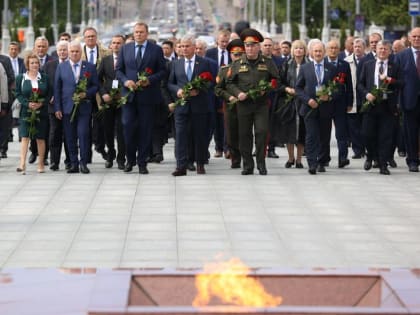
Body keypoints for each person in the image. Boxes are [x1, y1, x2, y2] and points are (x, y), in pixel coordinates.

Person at [226, 28, 279, 175]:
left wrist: (267, 89)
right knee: (245, 135)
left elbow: (276, 80)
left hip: (261, 105)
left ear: (258, 46)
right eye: (247, 45)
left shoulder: (267, 62)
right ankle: (248, 165)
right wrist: (238, 93)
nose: (249, 48)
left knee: (262, 132)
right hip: (243, 105)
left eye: (253, 45)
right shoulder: (237, 64)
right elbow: (229, 83)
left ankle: (261, 164)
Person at [115, 22, 166, 174]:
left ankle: (142, 162)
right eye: (136, 32)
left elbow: (163, 71)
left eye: (141, 32)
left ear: (147, 33)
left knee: (145, 130)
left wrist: (149, 80)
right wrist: (125, 81)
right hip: (129, 96)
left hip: (148, 97)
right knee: (128, 128)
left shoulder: (156, 50)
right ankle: (130, 160)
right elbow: (119, 70)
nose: (138, 34)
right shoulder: (125, 48)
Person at [168, 34, 214, 176]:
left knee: (199, 135)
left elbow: (211, 82)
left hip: (199, 106)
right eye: (182, 46)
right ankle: (181, 165)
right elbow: (170, 83)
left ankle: (200, 163)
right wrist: (178, 91)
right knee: (181, 136)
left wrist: (199, 90)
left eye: (187, 46)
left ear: (194, 47)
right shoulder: (176, 64)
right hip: (181, 107)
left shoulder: (205, 63)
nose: (184, 49)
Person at [54, 40, 99, 174]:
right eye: (72, 51)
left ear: (81, 52)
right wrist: (57, 108)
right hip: (67, 108)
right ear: (68, 52)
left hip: (84, 108)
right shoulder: (62, 67)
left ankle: (83, 163)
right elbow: (57, 89)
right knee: (70, 136)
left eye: (77, 51)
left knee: (83, 134)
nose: (74, 53)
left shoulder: (89, 67)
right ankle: (73, 163)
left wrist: (86, 94)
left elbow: (96, 86)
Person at [358, 40, 400, 175]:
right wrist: (366, 94)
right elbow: (360, 84)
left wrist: (390, 80)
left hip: (387, 106)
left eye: (385, 49)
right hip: (371, 105)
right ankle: (370, 156)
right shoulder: (368, 64)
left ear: (389, 51)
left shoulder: (395, 66)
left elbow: (402, 83)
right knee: (367, 134)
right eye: (380, 48)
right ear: (375, 49)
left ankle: (383, 164)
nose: (382, 51)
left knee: (385, 137)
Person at [295, 41, 338, 175]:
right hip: (309, 109)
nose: (318, 53)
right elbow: (298, 88)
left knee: (324, 137)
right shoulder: (305, 68)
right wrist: (308, 100)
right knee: (311, 136)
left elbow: (338, 88)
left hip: (326, 108)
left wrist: (329, 95)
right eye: (316, 51)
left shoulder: (331, 68)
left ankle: (322, 161)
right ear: (311, 53)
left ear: (324, 53)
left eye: (320, 51)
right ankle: (312, 164)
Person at [275, 39, 309, 169]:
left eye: (301, 48)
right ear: (292, 51)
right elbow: (279, 82)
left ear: (304, 51)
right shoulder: (286, 64)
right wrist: (287, 89)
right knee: (289, 131)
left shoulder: (309, 65)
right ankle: (290, 158)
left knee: (302, 131)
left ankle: (299, 160)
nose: (298, 50)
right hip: (289, 102)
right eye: (296, 48)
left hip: (303, 102)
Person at [15, 53, 49, 174]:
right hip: (26, 112)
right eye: (32, 63)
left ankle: (40, 164)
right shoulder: (21, 78)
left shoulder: (44, 77)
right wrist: (27, 104)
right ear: (27, 65)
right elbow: (17, 93)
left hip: (41, 112)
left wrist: (41, 103)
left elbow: (49, 94)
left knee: (40, 138)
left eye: (36, 63)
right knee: (25, 137)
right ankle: (22, 164)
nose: (35, 65)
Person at [82, 27, 111, 162]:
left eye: (93, 36)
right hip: (84, 95)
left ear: (96, 37)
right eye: (88, 37)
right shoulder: (78, 53)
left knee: (101, 124)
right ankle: (86, 155)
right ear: (84, 38)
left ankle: (100, 147)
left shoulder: (106, 53)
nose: (90, 39)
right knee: (85, 125)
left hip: (101, 94)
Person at [214, 38, 245, 169]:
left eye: (239, 54)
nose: (237, 57)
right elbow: (218, 89)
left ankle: (246, 158)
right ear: (230, 55)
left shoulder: (247, 69)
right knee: (232, 134)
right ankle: (235, 158)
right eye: (234, 54)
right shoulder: (224, 70)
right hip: (230, 106)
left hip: (246, 105)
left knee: (245, 133)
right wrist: (230, 97)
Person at [98, 34, 126, 170]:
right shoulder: (105, 60)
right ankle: (110, 154)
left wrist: (125, 93)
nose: (116, 45)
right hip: (108, 100)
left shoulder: (128, 60)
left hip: (122, 100)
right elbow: (97, 80)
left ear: (123, 45)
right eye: (114, 43)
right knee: (108, 129)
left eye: (119, 43)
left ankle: (121, 158)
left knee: (121, 130)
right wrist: (103, 94)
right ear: (110, 45)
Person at [394, 27, 420, 172]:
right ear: (409, 38)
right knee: (410, 131)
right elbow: (397, 80)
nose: (417, 39)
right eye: (414, 36)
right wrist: (398, 101)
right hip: (409, 100)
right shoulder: (401, 56)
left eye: (419, 36)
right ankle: (412, 161)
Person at [325, 39, 353, 168]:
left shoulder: (344, 64)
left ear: (339, 49)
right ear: (327, 49)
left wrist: (350, 102)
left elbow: (349, 85)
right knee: (324, 131)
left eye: (336, 48)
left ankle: (343, 158)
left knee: (341, 133)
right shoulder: (322, 63)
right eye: (331, 48)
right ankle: (324, 157)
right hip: (325, 103)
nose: (333, 50)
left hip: (341, 103)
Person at [44, 40, 71, 171]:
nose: (62, 52)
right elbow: (44, 84)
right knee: (54, 133)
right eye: (60, 50)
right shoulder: (49, 65)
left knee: (68, 134)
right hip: (53, 105)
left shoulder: (73, 65)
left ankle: (69, 161)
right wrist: (50, 97)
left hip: (68, 106)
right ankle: (54, 161)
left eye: (65, 49)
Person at [206, 29, 231, 158]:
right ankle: (218, 148)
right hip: (213, 91)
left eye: (227, 41)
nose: (224, 44)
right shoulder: (210, 53)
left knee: (227, 120)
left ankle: (227, 148)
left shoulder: (233, 53)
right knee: (215, 121)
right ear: (217, 41)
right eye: (222, 41)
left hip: (228, 92)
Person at [28, 36, 53, 166]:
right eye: (39, 46)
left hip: (46, 100)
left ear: (47, 47)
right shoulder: (29, 60)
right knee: (32, 125)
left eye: (43, 46)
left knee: (45, 129)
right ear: (35, 47)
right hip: (32, 100)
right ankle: (33, 151)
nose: (41, 49)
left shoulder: (52, 60)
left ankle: (44, 155)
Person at [344, 37, 366, 160]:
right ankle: (357, 150)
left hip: (365, 98)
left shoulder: (370, 60)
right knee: (353, 127)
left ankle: (365, 148)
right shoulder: (346, 61)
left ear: (364, 48)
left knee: (365, 126)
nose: (357, 48)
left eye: (359, 46)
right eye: (355, 46)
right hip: (352, 98)